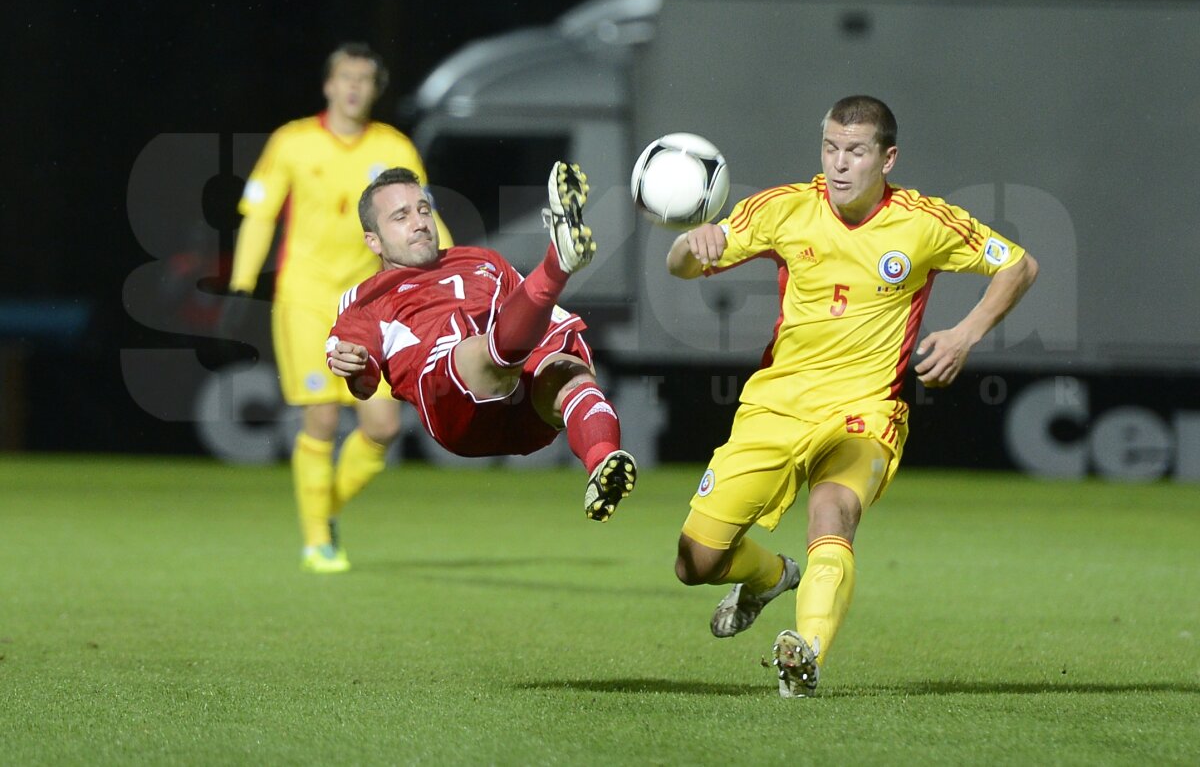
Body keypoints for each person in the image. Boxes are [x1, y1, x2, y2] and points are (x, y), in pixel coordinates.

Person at [666, 95, 1038, 697]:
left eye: (856, 151)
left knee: (831, 515)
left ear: (887, 158)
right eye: (831, 148)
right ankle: (771, 576)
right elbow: (680, 265)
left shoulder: (922, 222)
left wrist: (966, 335)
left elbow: (1018, 265)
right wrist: (693, 243)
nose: (839, 164)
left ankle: (804, 657)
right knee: (695, 563)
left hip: (866, 411)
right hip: (775, 409)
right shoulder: (785, 208)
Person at [224, 43, 453, 574]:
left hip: (371, 303)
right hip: (304, 297)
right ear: (328, 85)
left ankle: (320, 511)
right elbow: (260, 216)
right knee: (322, 418)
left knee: (383, 427)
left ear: (376, 88)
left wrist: (455, 272)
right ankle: (316, 543)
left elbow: (423, 221)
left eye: (364, 79)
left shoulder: (392, 146)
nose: (353, 87)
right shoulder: (293, 141)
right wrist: (239, 284)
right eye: (344, 77)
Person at [325, 163, 637, 521]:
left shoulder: (482, 260)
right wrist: (355, 364)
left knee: (571, 375)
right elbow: (363, 383)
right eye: (401, 216)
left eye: (424, 209)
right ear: (373, 241)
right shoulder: (367, 297)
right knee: (476, 349)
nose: (420, 221)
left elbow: (550, 328)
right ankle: (557, 264)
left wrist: (573, 364)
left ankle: (603, 464)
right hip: (453, 404)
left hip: (521, 407)